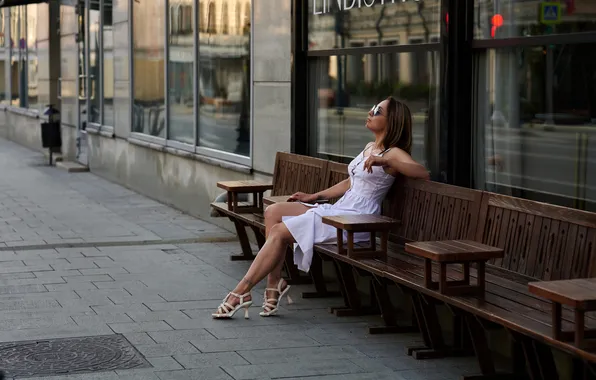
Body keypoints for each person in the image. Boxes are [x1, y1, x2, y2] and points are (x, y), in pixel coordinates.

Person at [212, 96, 430, 319]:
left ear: (392, 121)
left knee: (279, 232)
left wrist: (387, 162)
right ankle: (273, 282)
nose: (370, 112)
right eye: (373, 108)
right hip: (342, 209)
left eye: (377, 111)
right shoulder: (369, 147)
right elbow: (350, 182)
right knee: (273, 212)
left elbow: (422, 172)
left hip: (357, 220)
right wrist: (315, 196)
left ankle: (241, 292)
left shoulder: (392, 153)